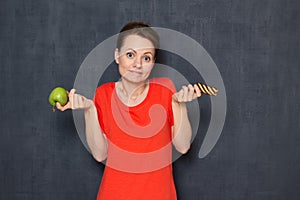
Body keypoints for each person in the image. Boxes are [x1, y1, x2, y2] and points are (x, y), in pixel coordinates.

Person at [56, 21, 202, 200]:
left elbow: (183, 146)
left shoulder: (166, 90)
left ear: (153, 62)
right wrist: (89, 109)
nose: (138, 64)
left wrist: (179, 104)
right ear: (117, 56)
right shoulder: (103, 94)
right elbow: (100, 154)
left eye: (146, 57)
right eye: (130, 54)